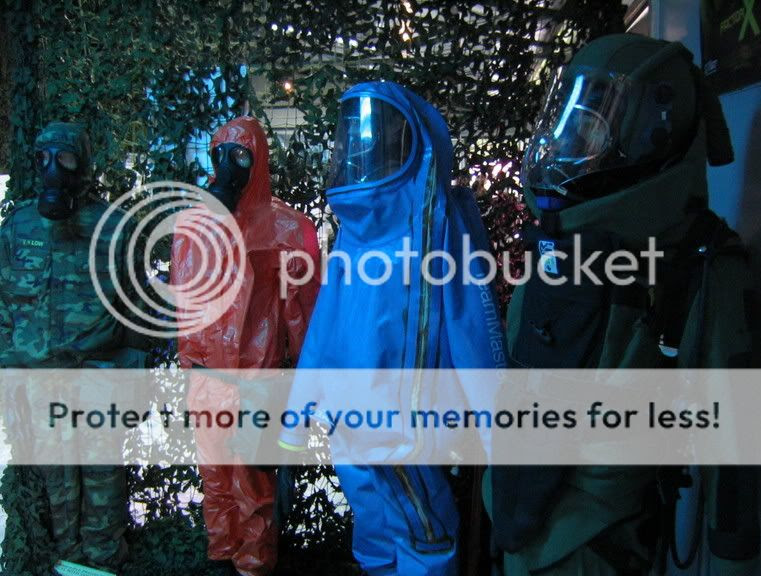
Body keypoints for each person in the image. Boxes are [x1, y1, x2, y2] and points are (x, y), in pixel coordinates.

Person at [485, 34, 760, 575]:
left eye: (591, 129)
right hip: (518, 513)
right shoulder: (562, 243)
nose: (571, 145)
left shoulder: (698, 261)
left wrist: (734, 554)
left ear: (653, 132)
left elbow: (734, 450)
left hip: (598, 543)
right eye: (571, 125)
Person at [282, 81, 506, 576]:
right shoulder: (354, 234)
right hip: (354, 429)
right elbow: (324, 331)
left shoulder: (437, 225)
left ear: (412, 144)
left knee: (423, 536)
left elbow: (474, 330)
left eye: (376, 137)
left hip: (400, 433)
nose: (361, 153)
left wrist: (501, 439)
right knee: (383, 534)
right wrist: (295, 419)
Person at [172, 116, 320, 576]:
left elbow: (303, 312)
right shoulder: (192, 225)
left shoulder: (286, 228)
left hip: (256, 380)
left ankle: (253, 566)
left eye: (240, 155)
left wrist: (306, 383)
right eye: (220, 154)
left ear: (259, 160)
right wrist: (190, 365)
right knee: (215, 480)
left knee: (253, 486)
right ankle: (222, 558)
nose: (228, 166)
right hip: (208, 377)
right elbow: (184, 300)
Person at [0, 121, 148, 572]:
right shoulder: (19, 225)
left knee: (103, 478)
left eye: (64, 158)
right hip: (40, 379)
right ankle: (69, 563)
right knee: (57, 480)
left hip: (98, 377)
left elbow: (140, 310)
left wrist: (134, 380)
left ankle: (102, 562)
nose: (53, 169)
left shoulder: (114, 227)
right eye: (43, 158)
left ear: (82, 162)